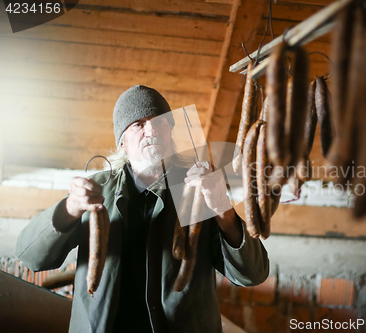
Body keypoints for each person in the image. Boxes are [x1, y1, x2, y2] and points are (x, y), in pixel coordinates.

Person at [16, 85, 270, 333]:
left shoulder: (197, 188)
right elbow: (31, 257)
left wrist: (223, 210)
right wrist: (70, 208)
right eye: (138, 124)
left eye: (160, 122)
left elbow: (253, 274)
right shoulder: (97, 190)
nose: (152, 131)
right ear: (122, 141)